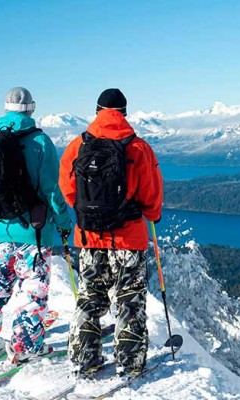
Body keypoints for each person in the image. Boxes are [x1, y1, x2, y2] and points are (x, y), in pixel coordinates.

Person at [59, 88, 163, 377]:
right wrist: (151, 215)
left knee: (90, 296)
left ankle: (85, 357)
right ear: (125, 112)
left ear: (96, 110)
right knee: (129, 299)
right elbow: (152, 194)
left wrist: (89, 214)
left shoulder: (77, 146)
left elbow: (68, 190)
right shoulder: (138, 147)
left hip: (90, 238)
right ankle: (129, 363)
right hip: (129, 239)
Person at [0, 87, 73, 364]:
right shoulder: (40, 142)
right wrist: (64, 223)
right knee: (31, 293)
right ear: (32, 109)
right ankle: (24, 346)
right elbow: (51, 191)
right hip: (33, 234)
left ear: (5, 109)